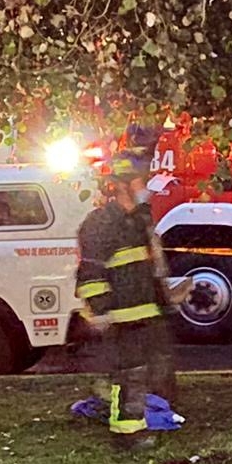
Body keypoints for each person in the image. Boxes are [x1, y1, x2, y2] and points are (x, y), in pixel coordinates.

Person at [74, 151, 177, 442]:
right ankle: (127, 432)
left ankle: (145, 419)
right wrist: (102, 311)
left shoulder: (139, 221)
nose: (144, 187)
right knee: (129, 374)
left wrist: (165, 301)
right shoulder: (101, 224)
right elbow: (90, 274)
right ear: (122, 184)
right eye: (140, 181)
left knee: (150, 374)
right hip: (122, 316)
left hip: (147, 313)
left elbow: (150, 267)